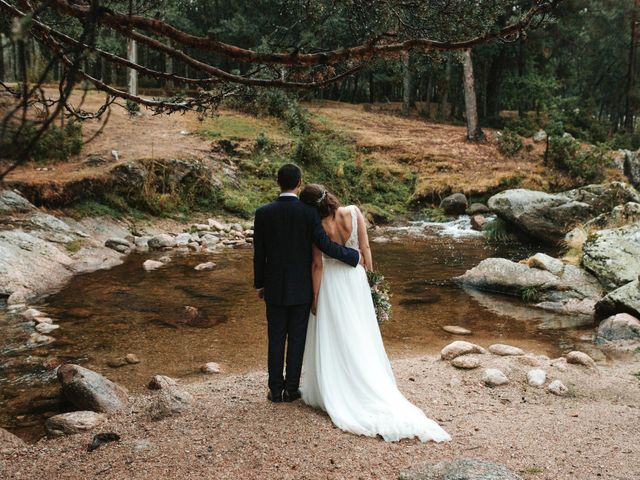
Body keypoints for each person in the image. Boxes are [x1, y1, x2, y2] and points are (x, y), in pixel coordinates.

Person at [299, 183, 451, 443]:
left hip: (331, 285)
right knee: (360, 332)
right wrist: (372, 282)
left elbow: (316, 264)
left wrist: (314, 298)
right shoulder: (353, 212)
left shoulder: (317, 226)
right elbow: (366, 250)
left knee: (336, 335)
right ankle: (367, 378)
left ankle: (338, 384)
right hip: (355, 280)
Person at [252, 164, 360, 403]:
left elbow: (259, 254)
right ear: (299, 183)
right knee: (297, 338)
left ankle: (275, 390)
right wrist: (353, 257)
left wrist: (260, 284)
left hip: (275, 287)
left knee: (276, 338)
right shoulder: (308, 213)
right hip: (301, 288)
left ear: (278, 182)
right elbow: (324, 245)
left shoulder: (263, 213)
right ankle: (291, 389)